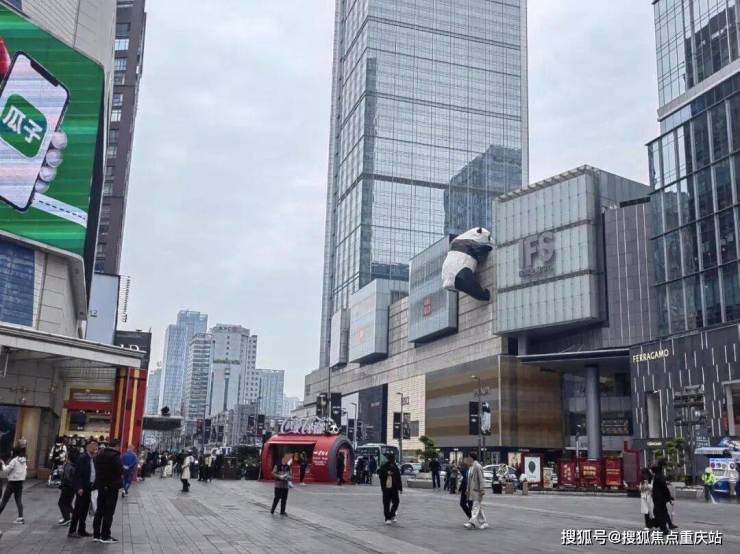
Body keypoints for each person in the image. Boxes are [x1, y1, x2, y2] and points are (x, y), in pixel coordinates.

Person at [93, 437, 123, 544]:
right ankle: (105, 536)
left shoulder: (99, 455)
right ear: (117, 446)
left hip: (101, 486)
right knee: (109, 512)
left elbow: (97, 469)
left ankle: (96, 535)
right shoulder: (115, 456)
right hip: (112, 487)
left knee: (99, 511)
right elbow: (119, 471)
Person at [69, 439, 98, 538]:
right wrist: (79, 487)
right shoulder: (83, 458)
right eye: (94, 448)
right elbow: (78, 475)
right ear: (89, 448)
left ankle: (81, 530)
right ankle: (72, 530)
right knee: (78, 510)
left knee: (85, 510)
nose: (96, 450)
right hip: (83, 488)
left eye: (96, 448)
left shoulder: (92, 459)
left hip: (89, 487)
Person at [0, 447, 27, 524]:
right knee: (18, 500)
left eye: (12, 451)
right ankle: (20, 518)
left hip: (12, 483)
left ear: (14, 452)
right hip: (20, 482)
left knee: (4, 500)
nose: (11, 453)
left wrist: (3, 464)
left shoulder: (14, 460)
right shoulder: (24, 460)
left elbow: (6, 470)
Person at [464, 452, 488, 530]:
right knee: (478, 507)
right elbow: (469, 480)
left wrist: (482, 489)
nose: (467, 459)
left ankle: (471, 523)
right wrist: (467, 489)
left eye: (468, 457)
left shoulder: (477, 466)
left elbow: (481, 479)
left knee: (475, 506)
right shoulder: (471, 467)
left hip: (477, 490)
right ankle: (484, 522)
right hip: (472, 491)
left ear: (472, 458)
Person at [378, 453, 402, 524]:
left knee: (396, 502)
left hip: (394, 488)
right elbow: (380, 475)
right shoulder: (384, 466)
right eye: (392, 459)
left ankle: (392, 514)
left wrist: (400, 487)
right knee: (386, 503)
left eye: (393, 459)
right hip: (386, 488)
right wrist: (387, 473)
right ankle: (387, 518)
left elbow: (398, 477)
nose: (393, 460)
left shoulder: (395, 466)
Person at [58, 449, 78, 526]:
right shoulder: (75, 465)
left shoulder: (68, 466)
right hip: (73, 487)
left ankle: (67, 518)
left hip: (67, 487)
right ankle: (73, 517)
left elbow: (66, 477)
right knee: (68, 503)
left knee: (61, 503)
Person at [650, 463, 672, 535]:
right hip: (660, 498)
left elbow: (664, 488)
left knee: (658, 513)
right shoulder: (659, 476)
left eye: (651, 469)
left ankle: (664, 528)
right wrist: (669, 497)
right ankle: (665, 527)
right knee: (662, 513)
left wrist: (669, 498)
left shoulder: (658, 477)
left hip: (659, 499)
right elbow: (665, 488)